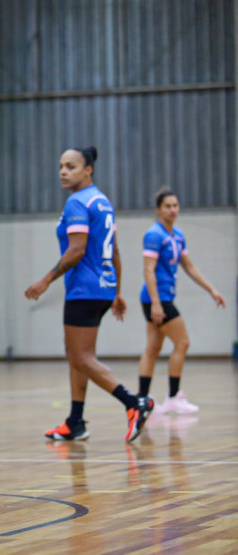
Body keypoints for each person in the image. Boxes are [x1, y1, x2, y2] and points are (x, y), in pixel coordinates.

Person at [25, 146, 153, 443]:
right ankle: (75, 421)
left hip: (84, 289)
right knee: (78, 356)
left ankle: (133, 404)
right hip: (103, 289)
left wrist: (46, 279)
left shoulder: (76, 202)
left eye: (70, 166)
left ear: (88, 170)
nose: (63, 172)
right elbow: (115, 250)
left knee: (80, 357)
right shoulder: (103, 202)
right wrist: (116, 292)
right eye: (61, 166)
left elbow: (77, 249)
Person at [136, 189, 226, 414]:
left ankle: (141, 400)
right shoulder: (154, 235)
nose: (172, 210)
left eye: (175, 205)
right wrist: (156, 303)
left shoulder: (177, 234)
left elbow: (189, 266)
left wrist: (211, 289)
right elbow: (148, 270)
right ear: (158, 209)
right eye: (167, 206)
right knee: (182, 342)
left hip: (163, 297)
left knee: (153, 348)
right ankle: (173, 397)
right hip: (157, 298)